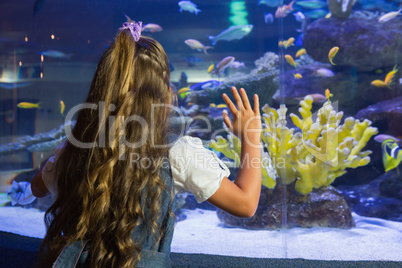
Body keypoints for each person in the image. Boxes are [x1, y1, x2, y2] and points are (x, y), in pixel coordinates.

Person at [32, 20, 261, 268]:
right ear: (163, 93)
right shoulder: (177, 153)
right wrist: (251, 138)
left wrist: (64, 154)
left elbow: (36, 188)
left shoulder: (75, 149)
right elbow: (245, 204)